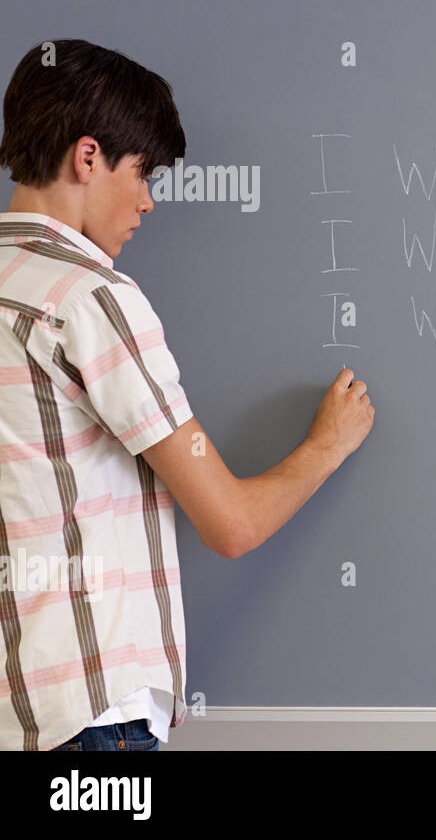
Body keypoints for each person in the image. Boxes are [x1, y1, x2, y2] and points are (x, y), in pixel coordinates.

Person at [0, 39, 374, 751]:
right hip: (89, 722)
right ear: (88, 157)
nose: (146, 201)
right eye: (141, 173)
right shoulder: (91, 302)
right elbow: (230, 525)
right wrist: (327, 446)